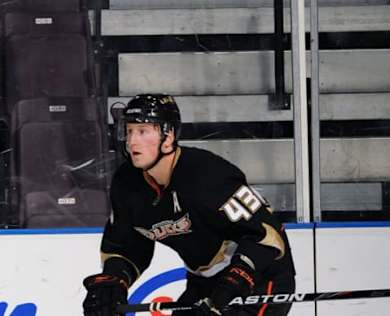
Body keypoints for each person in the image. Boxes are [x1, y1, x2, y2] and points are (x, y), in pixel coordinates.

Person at [82, 94, 296, 316]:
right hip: (205, 282)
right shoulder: (126, 183)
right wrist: (115, 280)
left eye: (143, 131)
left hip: (260, 279)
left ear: (168, 136)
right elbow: (125, 245)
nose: (132, 141)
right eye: (129, 131)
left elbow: (267, 235)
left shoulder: (209, 175)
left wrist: (234, 282)